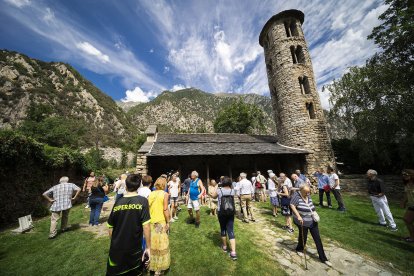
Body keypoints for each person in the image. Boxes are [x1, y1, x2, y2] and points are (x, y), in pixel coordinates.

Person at [106, 174, 151, 275]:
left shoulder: (118, 202)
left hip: (116, 248)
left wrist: (114, 242)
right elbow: (146, 226)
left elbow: (110, 226)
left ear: (126, 185)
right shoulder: (143, 201)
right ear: (139, 186)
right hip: (134, 247)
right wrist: (148, 248)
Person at [290, 185, 332, 267]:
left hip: (312, 221)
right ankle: (299, 249)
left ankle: (323, 258)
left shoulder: (308, 195)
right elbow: (292, 205)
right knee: (303, 237)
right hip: (302, 222)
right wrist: (298, 216)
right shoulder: (296, 195)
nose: (308, 194)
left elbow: (310, 205)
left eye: (309, 192)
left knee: (318, 239)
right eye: (306, 192)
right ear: (301, 191)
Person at [148, 177, 171, 275]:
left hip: (151, 221)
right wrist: (168, 221)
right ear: (164, 184)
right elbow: (165, 209)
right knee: (161, 245)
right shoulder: (165, 194)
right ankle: (158, 269)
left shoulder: (151, 194)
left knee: (152, 244)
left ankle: (150, 265)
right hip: (160, 222)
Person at [211, 176, 237, 261]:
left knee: (223, 229)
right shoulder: (232, 191)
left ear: (222, 183)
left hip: (221, 212)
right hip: (231, 212)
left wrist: (218, 186)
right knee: (230, 230)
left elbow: (213, 197)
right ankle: (233, 252)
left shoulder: (219, 190)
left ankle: (225, 246)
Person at [401, 169, 414, 242]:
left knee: (407, 220)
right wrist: (403, 202)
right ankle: (412, 237)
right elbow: (406, 194)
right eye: (403, 174)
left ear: (411, 175)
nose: (404, 176)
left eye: (405, 174)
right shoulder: (407, 184)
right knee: (406, 219)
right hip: (411, 205)